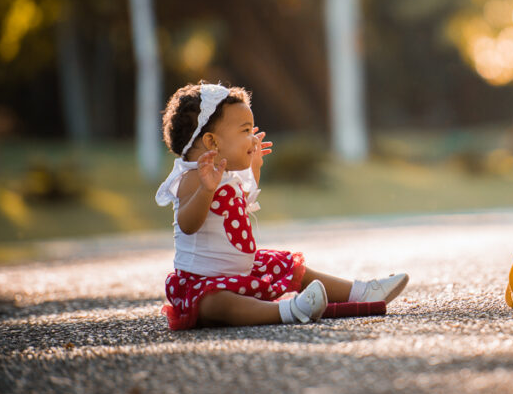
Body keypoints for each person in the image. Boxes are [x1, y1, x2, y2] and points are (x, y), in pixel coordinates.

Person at [156, 82, 409, 330]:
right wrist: (205, 190)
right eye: (245, 131)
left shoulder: (223, 176)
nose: (253, 139)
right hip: (203, 284)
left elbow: (234, 210)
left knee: (291, 267)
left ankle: (361, 292)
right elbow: (189, 225)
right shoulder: (192, 178)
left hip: (239, 274)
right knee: (217, 304)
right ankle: (289, 309)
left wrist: (253, 169)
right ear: (212, 142)